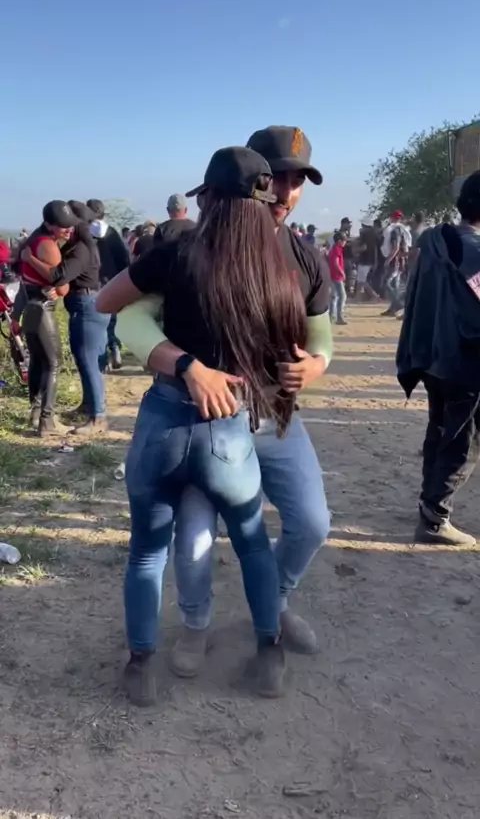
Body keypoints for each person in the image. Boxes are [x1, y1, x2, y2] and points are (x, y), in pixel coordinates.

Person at [96, 145, 315, 705]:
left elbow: (106, 302)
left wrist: (181, 353)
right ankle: (268, 653)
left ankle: (141, 665)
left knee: (148, 550)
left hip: (167, 417)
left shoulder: (177, 254)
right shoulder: (279, 271)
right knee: (252, 543)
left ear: (209, 198)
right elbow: (292, 354)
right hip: (231, 427)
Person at [397, 170, 480, 548]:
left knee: (439, 430)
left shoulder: (434, 238)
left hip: (432, 354)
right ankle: (434, 519)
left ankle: (427, 503)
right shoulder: (475, 251)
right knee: (465, 441)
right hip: (467, 362)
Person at [22, 204, 110, 436]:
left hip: (86, 305)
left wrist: (31, 259)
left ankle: (97, 416)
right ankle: (84, 407)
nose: (68, 229)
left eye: (70, 225)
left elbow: (59, 279)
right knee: (73, 360)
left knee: (85, 360)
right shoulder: (67, 246)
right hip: (73, 305)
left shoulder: (80, 250)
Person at [20, 201, 76, 437]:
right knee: (53, 363)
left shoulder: (33, 241)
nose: (68, 229)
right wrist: (63, 286)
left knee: (37, 360)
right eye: (63, 226)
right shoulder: (48, 246)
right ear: (49, 225)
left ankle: (35, 413)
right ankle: (47, 420)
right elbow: (62, 287)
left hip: (30, 307)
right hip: (43, 308)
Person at [87, 199, 130, 371]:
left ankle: (103, 361)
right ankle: (115, 349)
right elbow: (123, 258)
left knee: (97, 325)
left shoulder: (85, 234)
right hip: (111, 281)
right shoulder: (112, 233)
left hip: (92, 284)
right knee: (111, 321)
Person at [381, 210, 411, 317]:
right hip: (401, 260)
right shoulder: (403, 229)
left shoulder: (395, 230)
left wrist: (388, 259)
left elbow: (396, 247)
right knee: (395, 284)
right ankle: (393, 309)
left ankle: (398, 303)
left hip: (395, 260)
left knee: (386, 282)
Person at [356, 218, 379, 301]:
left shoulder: (364, 234)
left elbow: (364, 247)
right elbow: (376, 248)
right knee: (362, 280)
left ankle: (373, 295)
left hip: (364, 259)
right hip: (372, 260)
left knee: (361, 281)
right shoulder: (375, 234)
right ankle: (359, 297)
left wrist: (355, 250)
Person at [328, 231, 347, 324]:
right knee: (342, 296)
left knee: (334, 296)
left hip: (332, 275)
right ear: (339, 241)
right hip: (336, 276)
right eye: (344, 240)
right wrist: (342, 273)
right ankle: (339, 316)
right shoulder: (337, 249)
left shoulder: (334, 248)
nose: (345, 242)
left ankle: (331, 316)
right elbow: (336, 263)